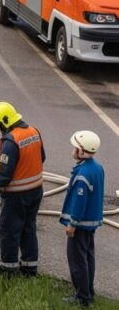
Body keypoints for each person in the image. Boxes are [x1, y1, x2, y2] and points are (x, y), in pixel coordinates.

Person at [0, 101, 45, 278]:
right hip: (36, 191)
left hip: (16, 196)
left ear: (4, 122)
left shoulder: (10, 141)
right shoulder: (34, 131)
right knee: (28, 228)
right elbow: (42, 158)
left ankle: (8, 270)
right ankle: (29, 268)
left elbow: (4, 174)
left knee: (9, 231)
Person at [60, 130, 104, 307]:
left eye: (75, 147)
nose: (73, 150)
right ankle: (88, 291)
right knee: (88, 257)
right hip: (92, 223)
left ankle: (82, 297)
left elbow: (80, 202)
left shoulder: (82, 174)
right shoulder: (97, 167)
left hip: (81, 225)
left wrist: (72, 224)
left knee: (77, 260)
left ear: (82, 151)